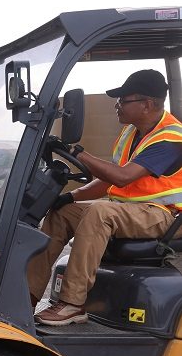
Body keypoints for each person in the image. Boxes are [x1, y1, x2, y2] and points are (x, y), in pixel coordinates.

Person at [28, 69, 182, 326]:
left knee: (100, 212)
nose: (117, 105)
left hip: (163, 215)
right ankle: (27, 296)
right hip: (130, 210)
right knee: (61, 214)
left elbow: (122, 177)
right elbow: (110, 179)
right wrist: (70, 198)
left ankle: (73, 304)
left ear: (147, 104)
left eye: (124, 99)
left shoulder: (170, 138)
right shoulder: (132, 133)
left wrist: (79, 153)